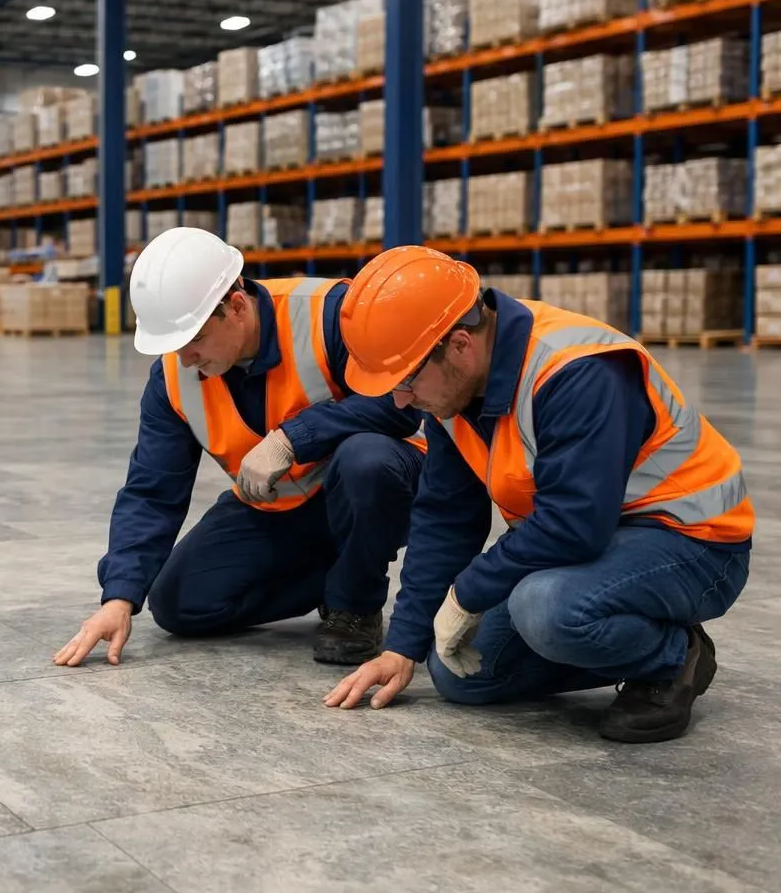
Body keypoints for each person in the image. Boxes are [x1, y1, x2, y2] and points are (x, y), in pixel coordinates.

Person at [324, 245, 752, 744]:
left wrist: (468, 591)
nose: (401, 400)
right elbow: (445, 518)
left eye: (405, 380)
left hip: (692, 540)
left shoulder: (577, 371)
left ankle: (673, 656)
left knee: (547, 608)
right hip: (595, 546)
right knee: (456, 670)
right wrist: (401, 647)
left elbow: (573, 525)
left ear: (460, 344)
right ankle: (616, 635)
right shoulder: (451, 393)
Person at [54, 227, 427, 668]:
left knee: (366, 459)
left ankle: (354, 605)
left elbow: (399, 405)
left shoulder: (332, 315)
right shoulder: (172, 381)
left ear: (235, 306)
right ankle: (335, 575)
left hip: (374, 486)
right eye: (174, 346)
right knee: (179, 604)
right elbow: (152, 491)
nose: (185, 358)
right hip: (278, 509)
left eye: (193, 340)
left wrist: (292, 438)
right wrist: (118, 596)